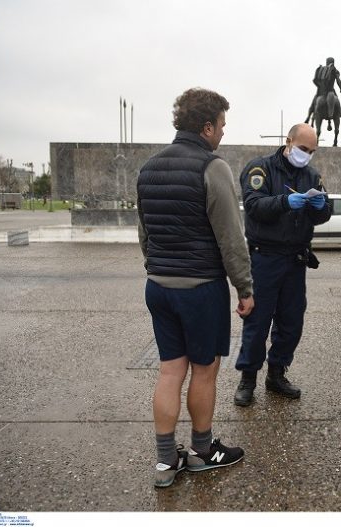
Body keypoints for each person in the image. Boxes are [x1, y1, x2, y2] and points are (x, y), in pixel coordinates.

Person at [137, 88, 254, 488]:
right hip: (200, 288)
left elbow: (145, 234)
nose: (223, 132)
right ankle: (204, 451)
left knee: (171, 370)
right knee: (205, 370)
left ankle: (167, 462)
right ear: (206, 127)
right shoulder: (212, 166)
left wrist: (157, 268)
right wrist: (245, 288)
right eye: (221, 125)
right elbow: (231, 239)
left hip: (159, 286)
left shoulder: (149, 167)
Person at [234, 123, 331, 406]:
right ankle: (248, 378)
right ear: (288, 142)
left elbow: (323, 213)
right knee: (258, 321)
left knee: (291, 322)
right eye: (303, 148)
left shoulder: (311, 175)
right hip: (264, 257)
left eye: (312, 151)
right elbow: (254, 206)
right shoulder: (260, 169)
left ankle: (277, 373)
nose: (307, 155)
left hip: (295, 259)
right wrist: (285, 202)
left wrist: (320, 208)